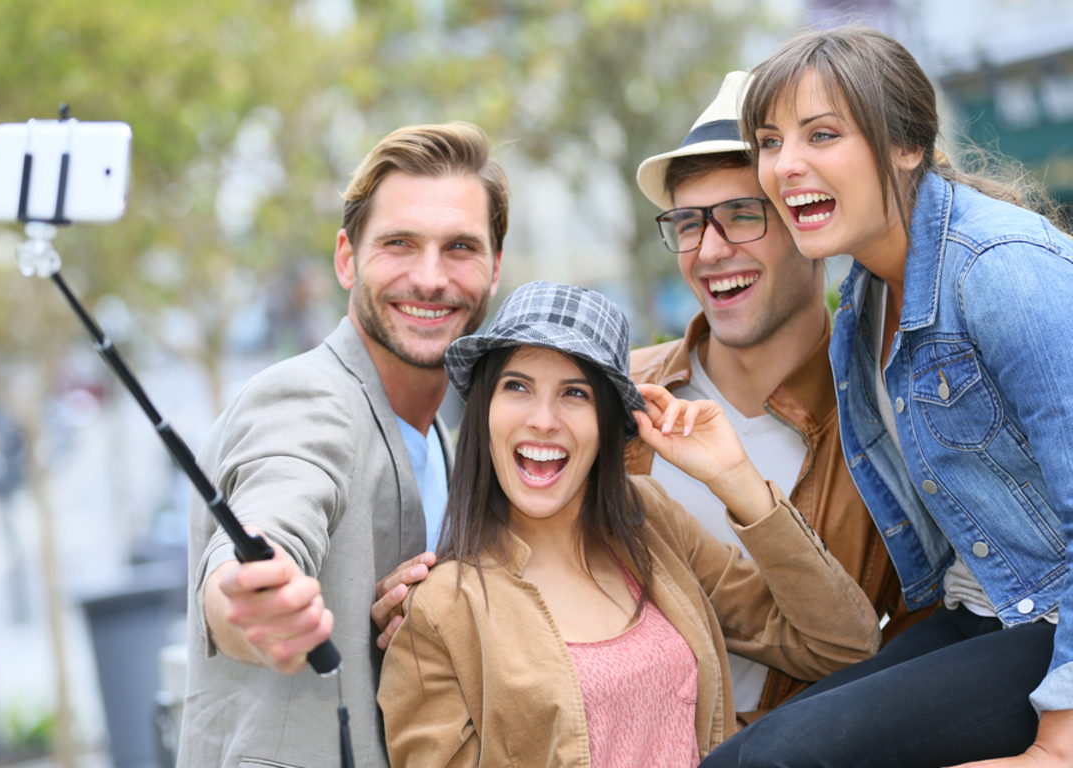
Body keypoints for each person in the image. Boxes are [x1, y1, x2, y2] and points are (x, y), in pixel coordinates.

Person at [699, 25, 1073, 767]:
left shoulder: (1000, 271)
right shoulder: (864, 303)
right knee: (736, 760)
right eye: (770, 142)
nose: (785, 166)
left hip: (1051, 624)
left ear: (907, 145)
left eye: (823, 134)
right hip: (980, 613)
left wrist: (1059, 743)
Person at [377, 281, 880, 767]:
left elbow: (844, 645)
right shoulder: (441, 609)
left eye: (575, 393)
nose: (543, 420)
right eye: (517, 387)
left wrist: (737, 481)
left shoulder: (649, 521)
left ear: (607, 424)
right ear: (484, 409)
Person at [177, 122, 507, 768]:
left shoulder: (441, 437)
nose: (431, 277)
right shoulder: (308, 399)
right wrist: (248, 596)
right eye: (399, 245)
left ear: (495, 269)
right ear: (346, 258)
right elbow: (270, 521)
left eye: (461, 247)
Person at [629, 71, 925, 720]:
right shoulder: (617, 394)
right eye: (687, 222)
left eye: (742, 215)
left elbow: (910, 651)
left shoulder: (892, 418)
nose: (709, 250)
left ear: (808, 219)